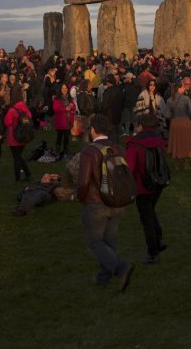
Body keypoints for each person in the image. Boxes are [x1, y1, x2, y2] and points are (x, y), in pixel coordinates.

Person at [75, 114, 134, 291]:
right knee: (108, 239)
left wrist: (80, 197)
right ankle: (105, 274)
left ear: (92, 130)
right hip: (117, 200)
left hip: (96, 202)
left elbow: (84, 181)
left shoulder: (89, 151)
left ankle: (120, 267)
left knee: (94, 241)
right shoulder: (118, 147)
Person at [125, 114, 169, 265]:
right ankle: (159, 238)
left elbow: (130, 168)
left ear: (140, 126)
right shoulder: (158, 140)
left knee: (146, 218)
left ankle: (153, 252)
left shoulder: (134, 144)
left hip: (142, 186)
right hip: (158, 183)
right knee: (151, 211)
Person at [166, 82, 191, 171]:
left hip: (174, 122)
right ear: (179, 89)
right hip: (185, 122)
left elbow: (167, 115)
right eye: (182, 87)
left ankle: (176, 165)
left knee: (176, 143)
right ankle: (186, 164)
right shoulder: (186, 99)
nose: (184, 88)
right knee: (186, 143)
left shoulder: (169, 100)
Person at [3, 100, 33, 182]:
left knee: (16, 158)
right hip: (23, 137)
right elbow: (30, 117)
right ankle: (28, 174)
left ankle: (18, 178)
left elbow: (7, 122)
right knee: (19, 156)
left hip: (13, 137)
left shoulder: (12, 111)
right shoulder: (26, 110)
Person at [52, 83, 76, 160]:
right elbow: (56, 108)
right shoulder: (57, 98)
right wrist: (65, 109)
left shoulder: (70, 98)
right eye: (63, 88)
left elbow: (74, 107)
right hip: (60, 121)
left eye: (65, 88)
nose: (64, 89)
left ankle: (66, 152)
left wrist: (72, 107)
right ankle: (58, 153)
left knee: (66, 138)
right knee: (59, 138)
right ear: (60, 89)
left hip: (68, 121)